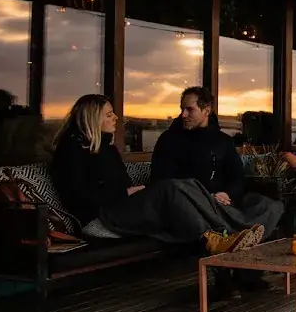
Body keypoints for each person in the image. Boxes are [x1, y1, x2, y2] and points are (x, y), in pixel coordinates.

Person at [50, 93, 269, 255]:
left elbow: (123, 185)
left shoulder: (108, 149)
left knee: (186, 185)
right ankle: (218, 238)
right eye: (109, 114)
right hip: (100, 219)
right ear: (92, 119)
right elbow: (77, 197)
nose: (116, 117)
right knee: (170, 187)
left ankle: (223, 236)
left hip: (121, 209)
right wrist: (125, 192)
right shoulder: (71, 151)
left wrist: (131, 192)